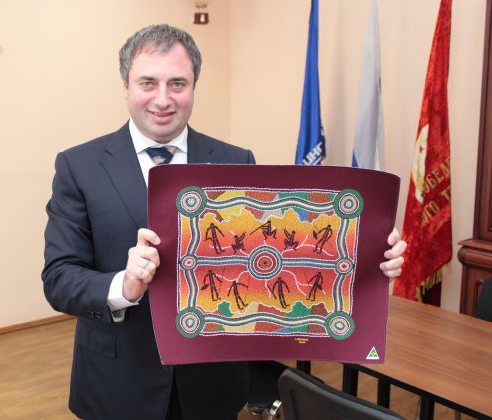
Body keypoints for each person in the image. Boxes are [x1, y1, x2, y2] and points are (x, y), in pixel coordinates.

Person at [42, 24, 407, 420]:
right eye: (148, 82)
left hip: (212, 385)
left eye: (177, 83)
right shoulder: (79, 166)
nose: (163, 99)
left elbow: (280, 256)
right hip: (118, 384)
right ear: (126, 86)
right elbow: (59, 278)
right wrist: (124, 286)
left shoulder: (236, 161)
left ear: (194, 86)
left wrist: (368, 254)